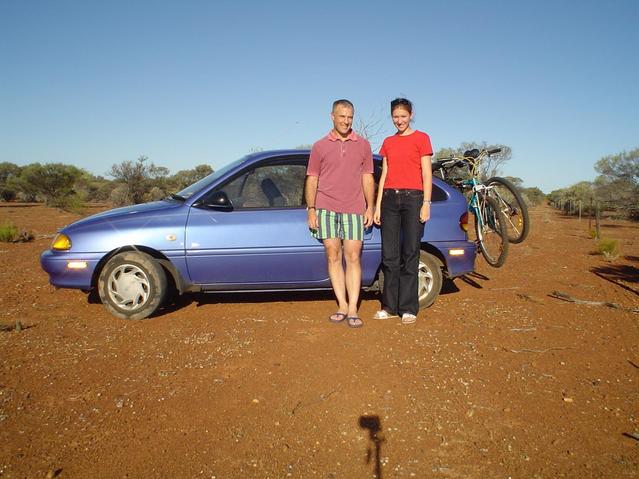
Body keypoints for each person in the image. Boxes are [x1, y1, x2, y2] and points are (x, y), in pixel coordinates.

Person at [305, 99, 375, 328]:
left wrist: (370, 206)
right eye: (342, 116)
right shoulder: (319, 146)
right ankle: (342, 305)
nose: (346, 121)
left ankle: (354, 308)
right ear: (332, 116)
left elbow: (367, 178)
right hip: (325, 208)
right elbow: (312, 178)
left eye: (350, 117)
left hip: (354, 209)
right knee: (332, 254)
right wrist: (312, 209)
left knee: (353, 257)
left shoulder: (363, 144)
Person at [373, 98, 433, 324]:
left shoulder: (422, 138)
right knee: (389, 255)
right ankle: (389, 306)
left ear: (411, 115)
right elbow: (384, 175)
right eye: (395, 117)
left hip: (413, 199)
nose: (399, 120)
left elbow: (427, 173)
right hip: (389, 199)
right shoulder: (388, 141)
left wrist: (426, 202)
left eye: (403, 116)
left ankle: (408, 307)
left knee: (410, 254)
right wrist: (378, 205)